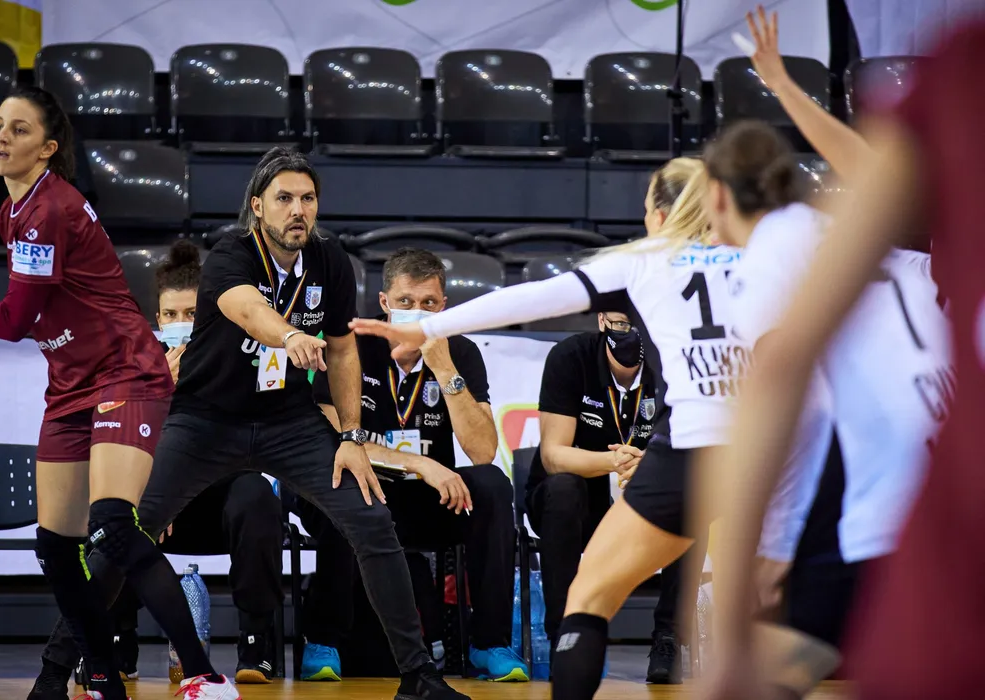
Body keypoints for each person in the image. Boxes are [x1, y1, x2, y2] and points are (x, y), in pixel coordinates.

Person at [28, 145, 469, 700]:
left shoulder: (331, 260)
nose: (298, 210)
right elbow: (247, 309)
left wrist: (352, 436)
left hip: (289, 421)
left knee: (373, 520)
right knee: (124, 533)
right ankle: (52, 672)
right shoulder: (229, 255)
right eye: (284, 198)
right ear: (257, 206)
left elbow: (343, 351)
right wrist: (290, 335)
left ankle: (418, 677)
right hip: (206, 418)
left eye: (307, 199)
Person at [351, 156, 748, 700]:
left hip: (685, 448)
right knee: (776, 608)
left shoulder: (642, 263)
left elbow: (531, 298)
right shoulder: (761, 260)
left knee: (589, 599)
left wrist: (431, 327)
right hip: (760, 452)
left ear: (656, 216)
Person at [700, 19, 983, 700]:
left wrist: (759, 569)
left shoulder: (962, 75)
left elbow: (782, 381)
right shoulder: (920, 256)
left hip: (924, 505)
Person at [0, 86, 236, 700]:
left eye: (20, 129)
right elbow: (35, 313)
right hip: (69, 382)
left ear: (48, 148)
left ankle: (202, 674)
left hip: (124, 370)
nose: (2, 137)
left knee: (113, 527)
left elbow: (14, 320)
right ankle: (100, 674)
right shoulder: (12, 210)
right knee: (54, 544)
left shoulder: (49, 209)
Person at [299, 247, 527, 682]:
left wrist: (445, 370)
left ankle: (489, 643)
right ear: (384, 302)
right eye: (405, 301)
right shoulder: (351, 345)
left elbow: (482, 451)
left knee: (493, 486)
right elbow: (330, 437)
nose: (416, 311)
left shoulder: (460, 352)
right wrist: (419, 463)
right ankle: (323, 640)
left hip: (426, 501)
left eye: (428, 303)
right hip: (361, 488)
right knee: (342, 485)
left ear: (443, 307)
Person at [527, 162, 708, 685]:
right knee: (561, 489)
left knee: (692, 494)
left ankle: (668, 639)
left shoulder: (668, 357)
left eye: (633, 322)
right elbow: (553, 455)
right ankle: (563, 631)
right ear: (600, 318)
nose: (624, 330)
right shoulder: (570, 357)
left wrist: (648, 465)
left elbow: (691, 437)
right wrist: (614, 461)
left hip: (645, 491)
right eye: (615, 320)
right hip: (581, 497)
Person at [95, 241, 285, 685]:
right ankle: (116, 642)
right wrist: (160, 389)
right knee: (115, 504)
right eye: (171, 314)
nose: (181, 323)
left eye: (192, 314)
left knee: (257, 494)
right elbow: (119, 440)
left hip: (220, 504)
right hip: (158, 502)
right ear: (158, 319)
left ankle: (255, 643)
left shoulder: (240, 358)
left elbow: (247, 446)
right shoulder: (132, 364)